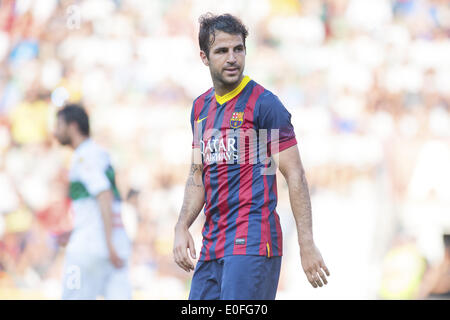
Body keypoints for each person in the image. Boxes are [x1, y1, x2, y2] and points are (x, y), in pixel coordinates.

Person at [173, 13, 330, 300]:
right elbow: (198, 174)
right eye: (222, 51)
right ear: (204, 57)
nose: (232, 58)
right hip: (212, 244)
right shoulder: (200, 109)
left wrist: (306, 243)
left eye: (238, 49)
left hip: (253, 242)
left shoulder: (264, 105)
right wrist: (182, 225)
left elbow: (294, 173)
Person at [54, 104, 131, 299]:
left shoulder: (83, 157)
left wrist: (108, 244)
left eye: (59, 125)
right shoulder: (100, 153)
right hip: (115, 243)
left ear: (72, 126)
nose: (55, 131)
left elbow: (103, 194)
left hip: (89, 248)